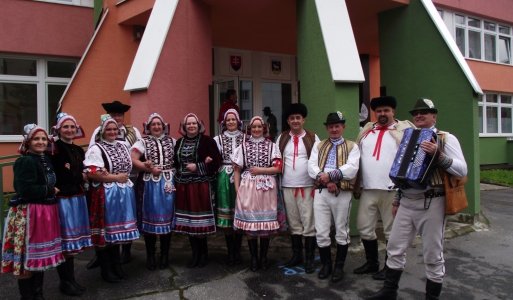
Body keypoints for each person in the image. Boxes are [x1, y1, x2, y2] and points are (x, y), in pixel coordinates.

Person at [366, 98, 467, 300]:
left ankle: (431, 297)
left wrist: (439, 156)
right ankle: (389, 292)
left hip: (432, 201)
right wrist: (397, 199)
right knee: (394, 247)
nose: (419, 115)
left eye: (424, 112)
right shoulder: (407, 136)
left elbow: (462, 170)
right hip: (406, 201)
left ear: (434, 116)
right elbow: (402, 172)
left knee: (432, 253)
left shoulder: (446, 138)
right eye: (416, 113)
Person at [1, 124, 65, 299]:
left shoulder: (45, 159)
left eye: (44, 139)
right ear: (28, 142)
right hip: (29, 214)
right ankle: (28, 297)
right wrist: (49, 190)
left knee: (38, 258)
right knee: (26, 259)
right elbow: (25, 190)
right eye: (36, 139)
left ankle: (38, 294)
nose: (41, 142)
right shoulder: (26, 160)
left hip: (44, 212)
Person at [353, 96, 414, 280]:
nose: (382, 114)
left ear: (393, 111)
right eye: (379, 111)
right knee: (364, 227)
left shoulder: (403, 130)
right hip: (368, 188)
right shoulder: (366, 131)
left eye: (386, 110)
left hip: (392, 190)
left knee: (391, 231)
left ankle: (390, 267)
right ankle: (372, 263)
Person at [84, 115, 140, 283]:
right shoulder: (96, 149)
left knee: (117, 234)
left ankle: (116, 265)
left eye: (115, 129)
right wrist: (116, 178)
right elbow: (93, 173)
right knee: (106, 233)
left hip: (123, 193)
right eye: (108, 129)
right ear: (102, 131)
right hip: (106, 195)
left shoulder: (123, 145)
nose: (112, 132)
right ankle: (106, 270)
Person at [308, 111, 360, 282]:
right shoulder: (319, 145)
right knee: (321, 231)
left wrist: (331, 177)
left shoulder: (352, 146)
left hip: (341, 192)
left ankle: (339, 267)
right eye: (331, 126)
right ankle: (326, 265)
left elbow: (352, 168)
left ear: (343, 127)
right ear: (327, 128)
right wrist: (325, 178)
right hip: (322, 191)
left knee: (341, 230)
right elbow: (311, 167)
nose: (334, 129)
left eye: (337, 126)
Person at [50, 113, 93, 296]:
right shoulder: (54, 149)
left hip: (77, 197)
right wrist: (79, 176)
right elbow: (58, 176)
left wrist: (83, 174)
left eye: (72, 127)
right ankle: (65, 282)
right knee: (66, 242)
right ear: (59, 129)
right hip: (64, 200)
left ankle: (71, 280)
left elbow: (82, 171)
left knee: (73, 244)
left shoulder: (77, 150)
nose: (69, 130)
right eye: (65, 127)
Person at [232, 116, 282, 272]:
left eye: (259, 127)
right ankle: (254, 258)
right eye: (254, 127)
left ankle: (264, 257)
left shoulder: (272, 146)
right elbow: (237, 170)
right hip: (248, 187)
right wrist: (238, 190)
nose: (256, 129)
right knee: (251, 225)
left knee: (265, 225)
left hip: (266, 188)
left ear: (264, 128)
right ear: (249, 129)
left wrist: (261, 170)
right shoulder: (243, 147)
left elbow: (278, 168)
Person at [275, 103, 319, 273]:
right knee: (294, 223)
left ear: (303, 119)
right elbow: (276, 159)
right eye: (292, 118)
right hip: (287, 186)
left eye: (298, 118)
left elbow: (319, 161)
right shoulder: (282, 138)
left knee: (308, 222)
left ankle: (309, 258)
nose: (295, 121)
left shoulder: (313, 138)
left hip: (308, 186)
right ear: (288, 120)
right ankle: (297, 255)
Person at [174, 113, 221, 268]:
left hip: (200, 186)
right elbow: (175, 162)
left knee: (199, 222)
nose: (191, 126)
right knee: (189, 222)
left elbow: (217, 162)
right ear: (184, 126)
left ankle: (203, 254)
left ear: (199, 125)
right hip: (184, 186)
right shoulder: (179, 142)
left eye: (194, 123)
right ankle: (195, 254)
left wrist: (199, 166)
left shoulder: (207, 141)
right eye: (188, 124)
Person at [131, 113, 176, 270]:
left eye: (159, 124)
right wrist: (146, 167)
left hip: (169, 183)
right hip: (150, 183)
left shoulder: (172, 141)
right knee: (150, 218)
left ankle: (165, 255)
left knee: (167, 219)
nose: (156, 127)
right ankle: (150, 255)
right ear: (148, 127)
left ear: (164, 126)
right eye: (153, 124)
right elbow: (133, 158)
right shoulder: (142, 142)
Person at [214, 109, 246, 265]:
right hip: (224, 177)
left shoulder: (246, 138)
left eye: (233, 119)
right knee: (226, 213)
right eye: (228, 120)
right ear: (224, 122)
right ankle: (230, 251)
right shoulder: (218, 139)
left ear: (238, 121)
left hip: (242, 176)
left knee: (239, 211)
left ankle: (238, 250)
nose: (231, 122)